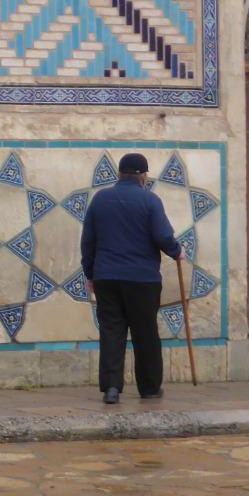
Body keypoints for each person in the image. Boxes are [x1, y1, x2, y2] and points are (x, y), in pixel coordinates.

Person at [81, 152, 183, 405]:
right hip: (142, 279)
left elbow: (88, 242)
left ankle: (112, 388)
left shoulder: (100, 200)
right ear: (144, 176)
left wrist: (90, 274)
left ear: (119, 174)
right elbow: (162, 236)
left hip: (106, 277)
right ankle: (149, 388)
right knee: (145, 332)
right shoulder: (150, 201)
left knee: (111, 331)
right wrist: (176, 251)